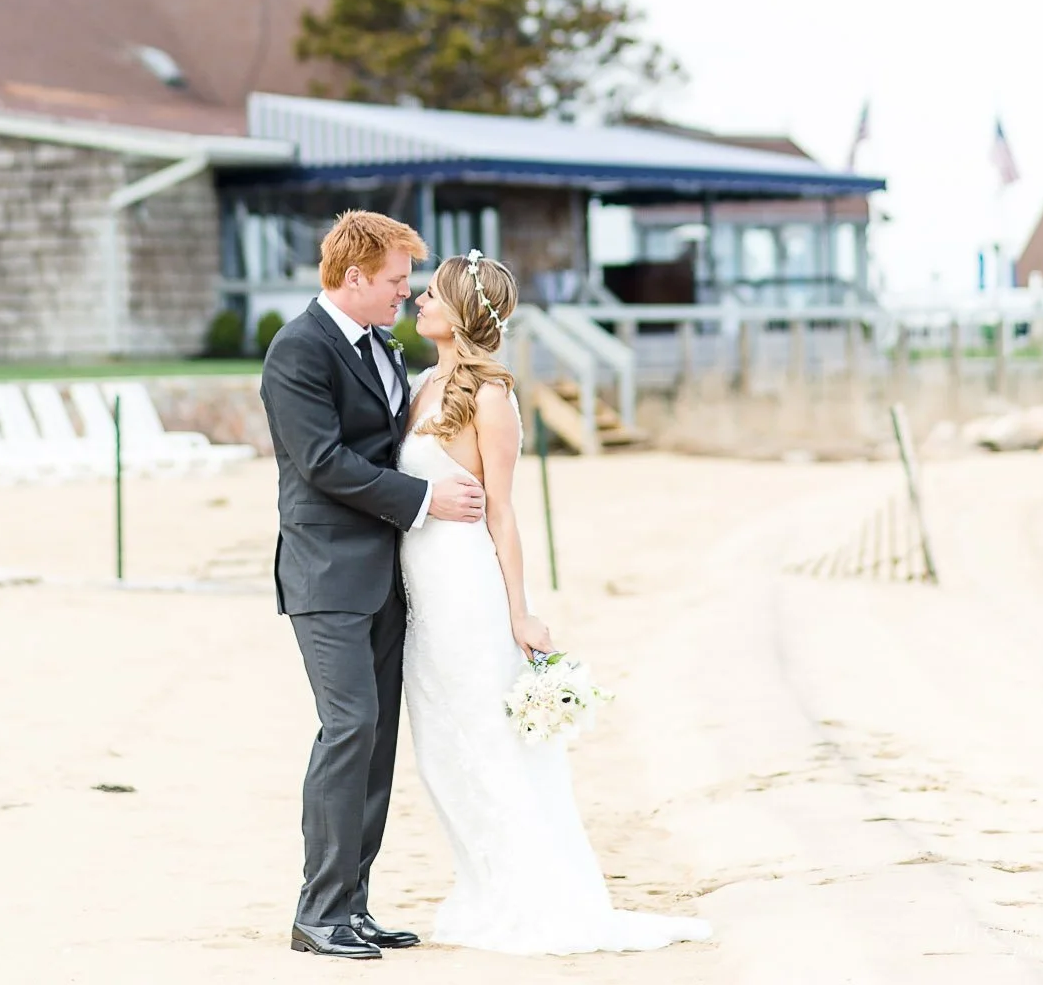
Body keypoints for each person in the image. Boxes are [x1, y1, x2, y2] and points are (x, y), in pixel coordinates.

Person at [400, 249, 712, 955]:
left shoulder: (491, 397)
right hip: (422, 600)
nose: (419, 297)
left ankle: (530, 897)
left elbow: (503, 514)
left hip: (469, 593)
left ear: (462, 313)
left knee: (487, 744)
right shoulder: (421, 383)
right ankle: (482, 887)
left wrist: (519, 612)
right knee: (442, 751)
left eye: (433, 293)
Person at [259, 210, 487, 961]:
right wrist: (423, 501)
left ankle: (352, 905)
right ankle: (317, 910)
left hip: (389, 573)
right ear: (353, 276)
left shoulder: (383, 345)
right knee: (349, 726)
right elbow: (321, 461)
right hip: (326, 574)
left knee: (377, 740)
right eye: (395, 280)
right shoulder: (297, 349)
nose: (405, 292)